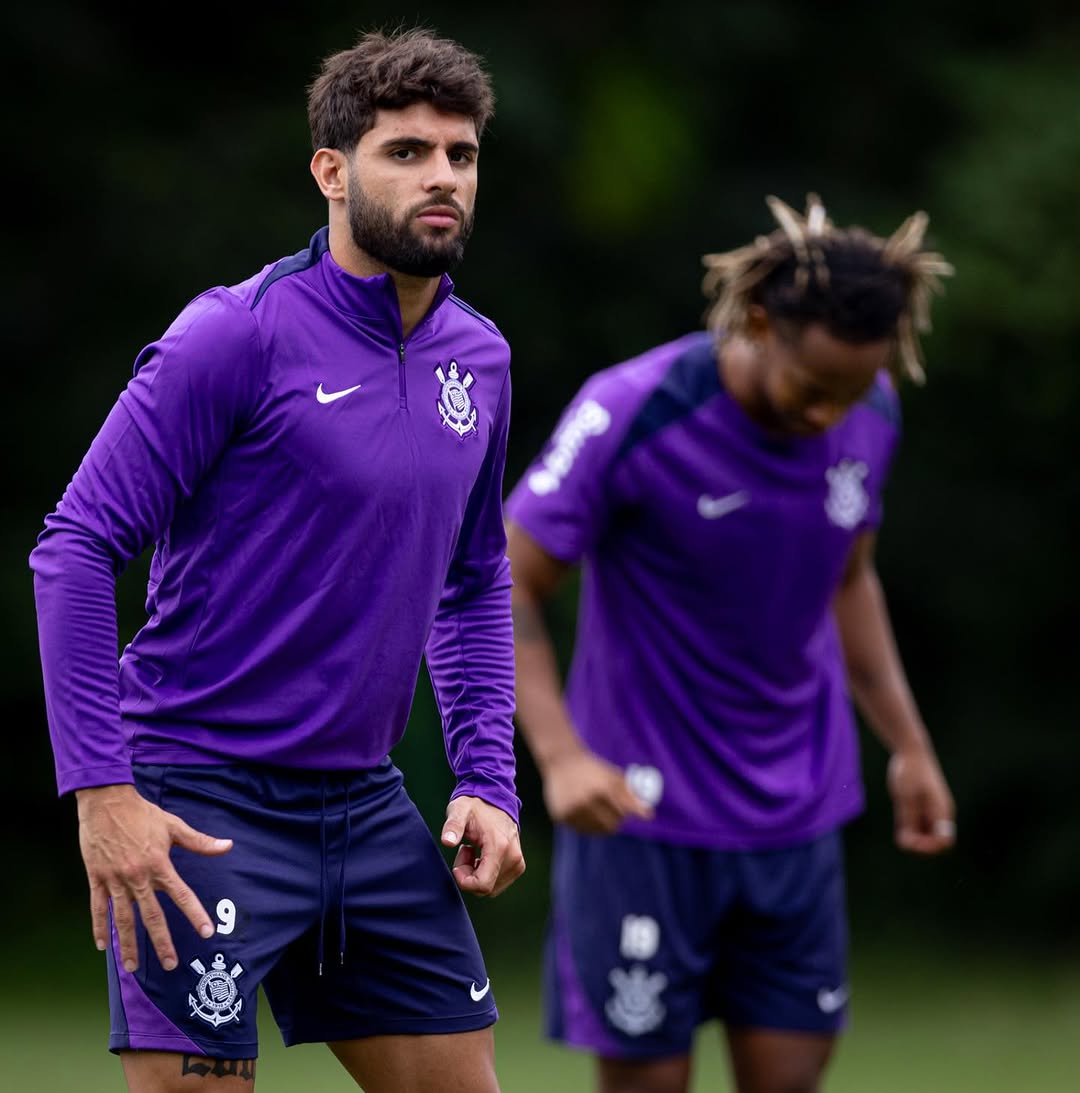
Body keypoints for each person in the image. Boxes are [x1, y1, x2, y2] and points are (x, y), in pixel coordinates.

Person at [29, 26, 524, 1093]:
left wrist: (488, 777)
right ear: (332, 171)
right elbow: (74, 548)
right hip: (198, 803)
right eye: (408, 152)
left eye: (462, 154)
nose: (441, 177)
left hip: (367, 805)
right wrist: (100, 790)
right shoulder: (234, 335)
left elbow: (476, 578)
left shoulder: (480, 358)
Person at [504, 193, 957, 1093]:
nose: (829, 414)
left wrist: (907, 744)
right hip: (642, 817)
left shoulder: (870, 410)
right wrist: (557, 757)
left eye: (851, 390)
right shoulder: (635, 409)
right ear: (758, 323)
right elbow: (502, 581)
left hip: (797, 810)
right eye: (812, 386)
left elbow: (850, 575)